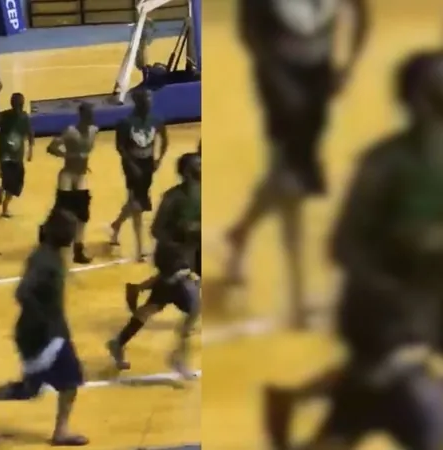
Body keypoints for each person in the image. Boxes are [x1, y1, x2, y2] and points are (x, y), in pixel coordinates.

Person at [262, 50, 443, 450]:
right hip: (385, 320)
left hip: (421, 311)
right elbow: (343, 246)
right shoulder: (385, 166)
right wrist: (395, 294)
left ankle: (293, 399)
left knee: (358, 411)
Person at [226, 0, 369, 328]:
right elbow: (249, 31)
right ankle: (297, 298)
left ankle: (240, 233)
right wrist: (276, 78)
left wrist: (347, 65)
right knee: (293, 181)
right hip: (280, 79)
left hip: (317, 77)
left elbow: (362, 14)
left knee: (291, 174)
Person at [0, 208, 89, 447]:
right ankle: (60, 431)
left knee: (29, 390)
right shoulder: (44, 260)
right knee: (71, 381)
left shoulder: (50, 255)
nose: (74, 234)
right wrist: (45, 319)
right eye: (71, 231)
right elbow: (22, 292)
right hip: (43, 336)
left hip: (42, 334)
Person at [107, 152, 201, 379]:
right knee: (195, 307)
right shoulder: (173, 198)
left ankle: (118, 342)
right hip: (171, 257)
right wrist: (184, 233)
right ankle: (178, 357)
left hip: (191, 254)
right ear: (187, 172)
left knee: (155, 305)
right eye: (198, 165)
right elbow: (156, 230)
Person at [109, 89, 169, 261]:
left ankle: (117, 224)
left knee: (136, 202)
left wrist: (159, 159)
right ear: (138, 101)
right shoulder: (126, 123)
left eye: (150, 98)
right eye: (145, 98)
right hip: (131, 165)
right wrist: (131, 164)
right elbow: (120, 147)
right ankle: (140, 248)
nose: (149, 101)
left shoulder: (156, 121)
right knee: (137, 206)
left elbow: (164, 140)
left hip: (148, 164)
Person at [45, 103, 98, 264]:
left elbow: (86, 152)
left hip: (81, 174)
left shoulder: (94, 131)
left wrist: (82, 160)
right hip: (67, 174)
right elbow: (51, 147)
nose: (91, 117)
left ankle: (78, 248)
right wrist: (66, 155)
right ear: (82, 116)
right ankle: (51, 240)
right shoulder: (70, 131)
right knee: (63, 211)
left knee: (83, 214)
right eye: (88, 114)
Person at [0, 92, 34, 218]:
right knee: (14, 178)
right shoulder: (24, 117)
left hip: (4, 149)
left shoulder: (3, 115)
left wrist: (0, 135)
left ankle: (3, 188)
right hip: (14, 152)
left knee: (8, 175)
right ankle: (5, 206)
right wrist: (30, 150)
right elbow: (30, 134)